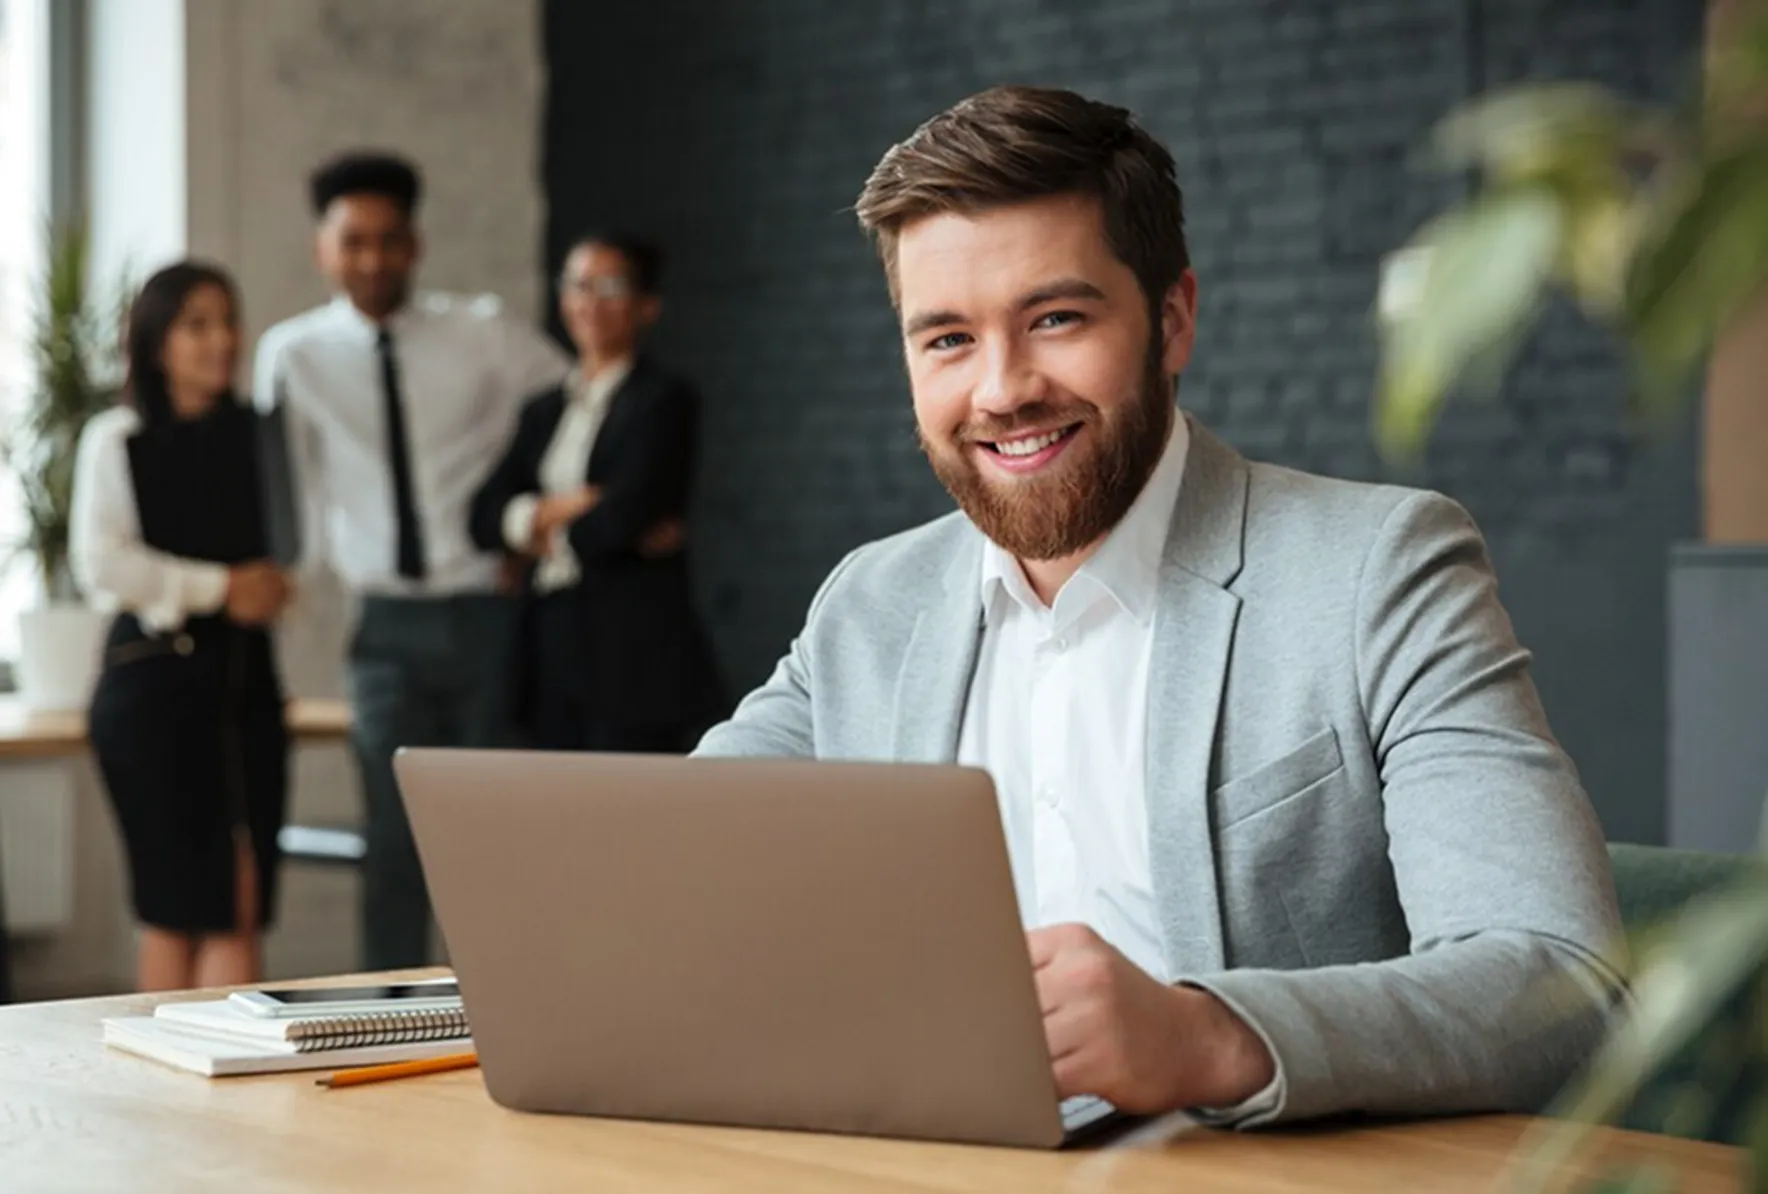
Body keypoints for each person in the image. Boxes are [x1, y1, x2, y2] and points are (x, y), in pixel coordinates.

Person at [694, 86, 1627, 1126]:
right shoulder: (870, 603)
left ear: (1170, 320)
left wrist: (1203, 1037)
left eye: (1054, 318)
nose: (1002, 390)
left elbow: (1561, 985)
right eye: (947, 339)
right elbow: (667, 866)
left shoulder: (1377, 571)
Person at [254, 152, 571, 970]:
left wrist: (527, 524)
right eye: (353, 241)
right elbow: (284, 492)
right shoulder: (293, 356)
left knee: (491, 840)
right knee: (391, 847)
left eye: (389, 241)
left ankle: (511, 1017)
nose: (372, 260)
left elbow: (574, 407)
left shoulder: (484, 332)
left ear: (416, 245)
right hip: (382, 627)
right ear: (322, 248)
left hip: (484, 616)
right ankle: (386, 1022)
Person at [71, 262, 292, 992]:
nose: (221, 339)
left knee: (241, 900)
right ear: (156, 340)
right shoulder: (119, 436)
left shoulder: (259, 435)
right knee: (175, 904)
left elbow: (291, 553)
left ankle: (228, 1090)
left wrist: (270, 587)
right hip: (155, 690)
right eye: (197, 324)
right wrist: (219, 587)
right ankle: (160, 1094)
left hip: (244, 687)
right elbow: (102, 561)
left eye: (228, 321)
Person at [469, 233, 724, 752]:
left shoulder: (664, 400)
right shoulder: (542, 410)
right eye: (578, 285)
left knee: (632, 815)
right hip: (549, 644)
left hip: (633, 652)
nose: (590, 302)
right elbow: (478, 517)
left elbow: (621, 519)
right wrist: (565, 510)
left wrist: (532, 534)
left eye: (610, 287)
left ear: (646, 305)